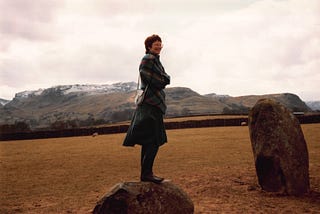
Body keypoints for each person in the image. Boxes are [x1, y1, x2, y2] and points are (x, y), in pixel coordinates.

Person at [123, 34, 170, 184]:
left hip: (152, 104)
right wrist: (164, 79)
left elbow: (164, 78)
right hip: (150, 104)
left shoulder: (155, 60)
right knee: (153, 140)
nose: (159, 46)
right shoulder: (148, 59)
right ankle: (147, 173)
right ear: (149, 46)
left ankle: (146, 173)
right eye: (156, 44)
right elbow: (154, 79)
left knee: (149, 140)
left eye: (160, 44)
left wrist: (164, 79)